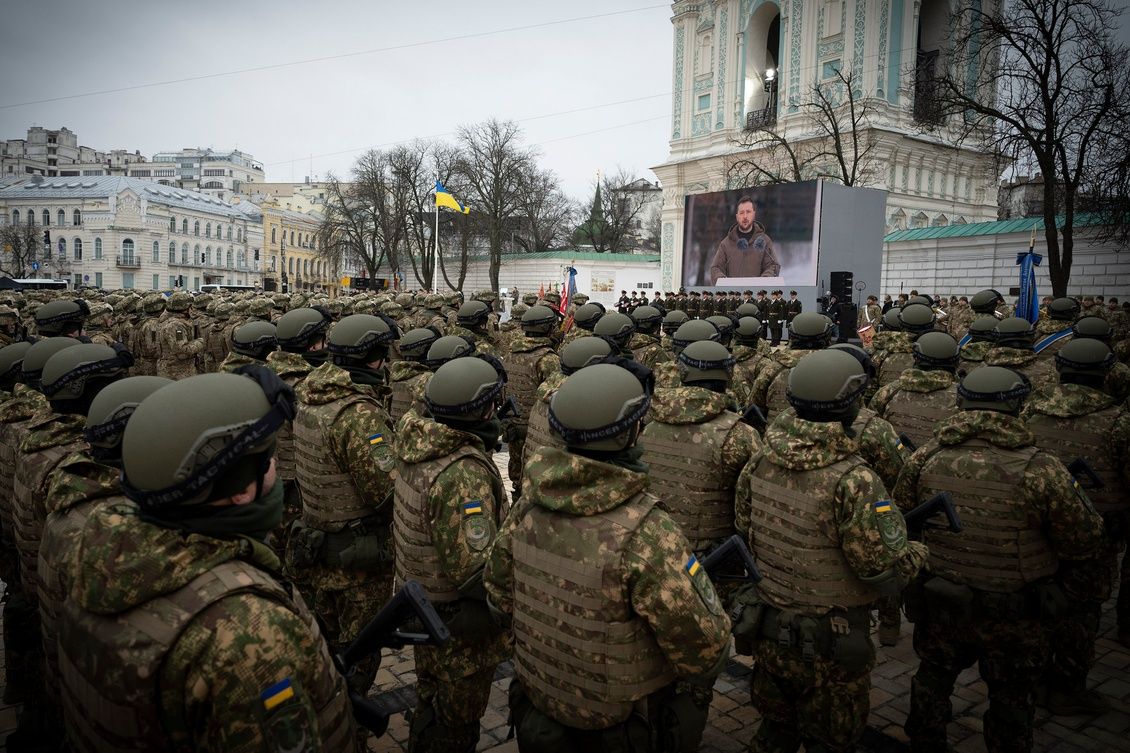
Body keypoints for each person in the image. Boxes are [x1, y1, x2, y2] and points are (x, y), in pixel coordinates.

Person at [57, 369, 358, 752]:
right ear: (239, 490)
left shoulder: (98, 566)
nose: (275, 468)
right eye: (268, 459)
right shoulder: (246, 631)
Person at [485, 363, 732, 751]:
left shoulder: (527, 510)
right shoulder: (647, 531)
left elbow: (498, 597)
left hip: (540, 708)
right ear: (632, 431)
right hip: (618, 726)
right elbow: (705, 648)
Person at [893, 367, 1105, 753]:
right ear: (1016, 407)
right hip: (1014, 609)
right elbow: (1084, 539)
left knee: (933, 676)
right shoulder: (1041, 467)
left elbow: (902, 517)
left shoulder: (927, 456)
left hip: (942, 595)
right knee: (1010, 696)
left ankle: (925, 739)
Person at [737, 349, 926, 752]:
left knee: (775, 732)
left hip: (770, 627)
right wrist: (917, 552)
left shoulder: (759, 461)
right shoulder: (854, 479)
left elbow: (744, 528)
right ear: (850, 406)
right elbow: (878, 567)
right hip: (831, 639)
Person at [393, 357, 511, 752]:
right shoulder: (462, 472)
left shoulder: (421, 444)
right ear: (480, 409)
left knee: (432, 702)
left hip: (426, 609)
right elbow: (477, 572)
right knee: (456, 727)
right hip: (458, 628)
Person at [288, 313, 397, 739]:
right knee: (359, 657)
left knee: (329, 652)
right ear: (372, 358)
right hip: (356, 561)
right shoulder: (357, 415)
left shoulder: (309, 396)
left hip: (316, 545)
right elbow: (384, 493)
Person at [1022, 339, 1130, 706]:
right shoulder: (1118, 422)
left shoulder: (1030, 409)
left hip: (1038, 524)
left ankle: (1032, 676)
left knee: (1039, 599)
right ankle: (1067, 687)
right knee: (1082, 610)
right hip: (1096, 532)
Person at [501, 306, 562, 502]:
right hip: (536, 430)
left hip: (513, 426)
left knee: (517, 476)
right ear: (548, 328)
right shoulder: (547, 359)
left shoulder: (511, 354)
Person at [709, 195, 780, 284]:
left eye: (748, 212)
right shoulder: (726, 244)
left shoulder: (765, 241)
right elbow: (715, 268)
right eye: (741, 213)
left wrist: (762, 283)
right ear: (737, 216)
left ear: (754, 214)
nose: (745, 216)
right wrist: (725, 284)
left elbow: (773, 266)